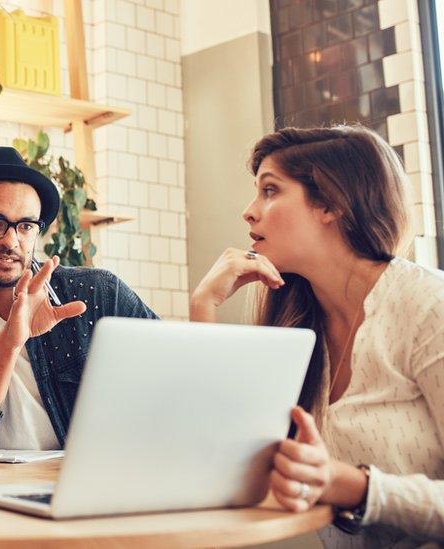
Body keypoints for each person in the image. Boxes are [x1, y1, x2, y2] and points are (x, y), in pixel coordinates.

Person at [190, 125, 444, 545]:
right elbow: (221, 458)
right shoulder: (299, 324)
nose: (249, 211)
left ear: (330, 204)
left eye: (270, 190)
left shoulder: (429, 307)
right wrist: (204, 306)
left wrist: (355, 487)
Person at [0, 146, 157, 451]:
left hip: (82, 479)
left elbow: (171, 373)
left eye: (26, 226)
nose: (11, 241)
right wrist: (10, 341)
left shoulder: (99, 294)